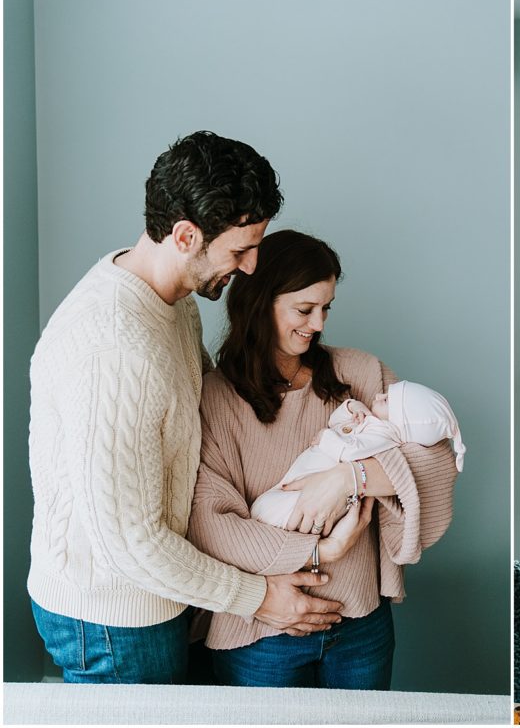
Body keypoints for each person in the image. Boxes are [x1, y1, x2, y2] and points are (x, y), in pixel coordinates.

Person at [27, 131, 345, 685]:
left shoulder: (172, 305)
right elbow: (130, 542)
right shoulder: (115, 347)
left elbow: (213, 420)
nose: (250, 267)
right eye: (240, 250)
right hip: (114, 617)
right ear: (185, 235)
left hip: (162, 593)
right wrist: (259, 596)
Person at [187, 229, 460, 689]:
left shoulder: (360, 373)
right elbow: (210, 522)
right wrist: (318, 551)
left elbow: (438, 463)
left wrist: (347, 478)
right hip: (262, 632)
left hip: (360, 625)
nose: (317, 324)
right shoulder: (217, 398)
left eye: (326, 308)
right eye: (304, 309)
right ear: (259, 303)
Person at [250, 379, 466, 528]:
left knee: (269, 510)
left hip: (309, 494)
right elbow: (336, 423)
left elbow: (347, 451)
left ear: (401, 420)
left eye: (387, 400)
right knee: (264, 506)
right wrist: (352, 407)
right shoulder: (372, 423)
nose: (379, 395)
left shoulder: (383, 438)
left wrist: (325, 437)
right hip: (299, 479)